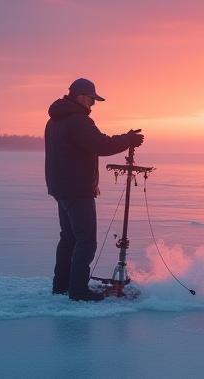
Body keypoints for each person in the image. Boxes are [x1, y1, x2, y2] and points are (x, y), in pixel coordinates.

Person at [44, 78, 144, 301]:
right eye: (92, 99)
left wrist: (124, 139)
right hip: (77, 190)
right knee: (86, 241)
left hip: (61, 188)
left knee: (69, 238)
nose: (93, 104)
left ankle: (61, 286)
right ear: (80, 96)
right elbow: (101, 145)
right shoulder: (78, 121)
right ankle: (78, 291)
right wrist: (128, 139)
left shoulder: (55, 121)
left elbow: (94, 144)